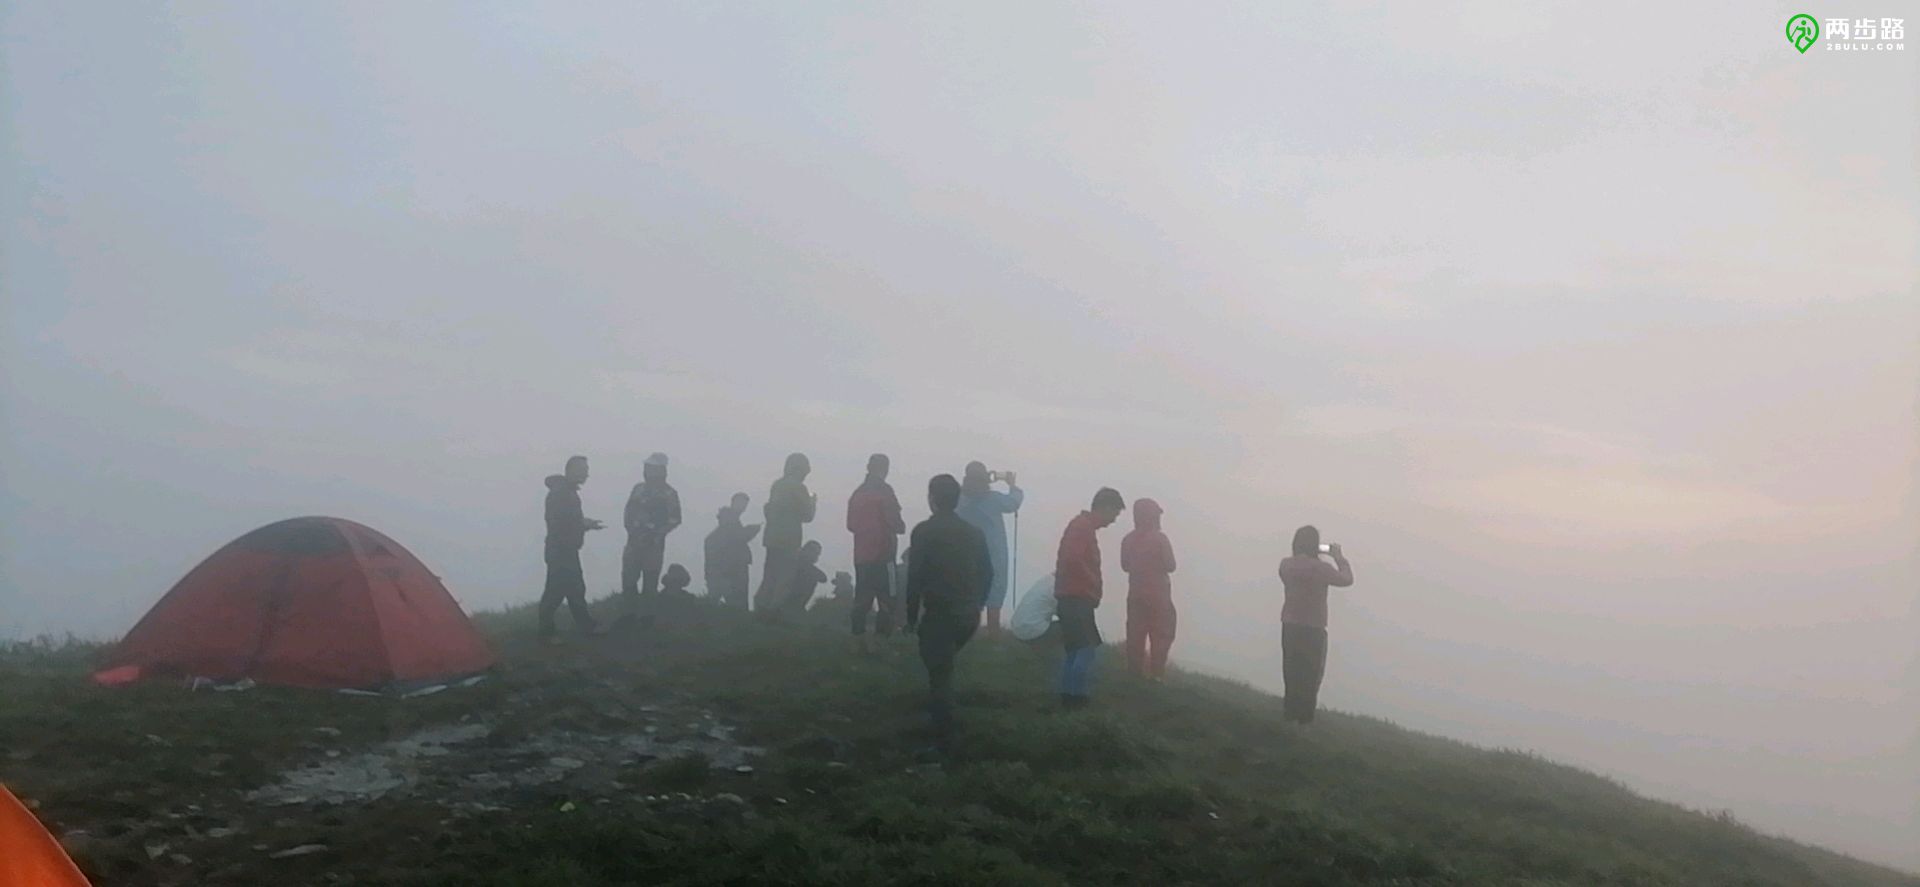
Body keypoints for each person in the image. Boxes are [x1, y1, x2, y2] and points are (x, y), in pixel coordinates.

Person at [903, 474, 993, 752]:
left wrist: (910, 618)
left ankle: (942, 742)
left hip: (940, 614)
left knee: (939, 675)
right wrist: (977, 604)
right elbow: (988, 573)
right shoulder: (974, 533)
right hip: (968, 615)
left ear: (931, 499)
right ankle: (943, 731)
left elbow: (914, 578)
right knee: (943, 667)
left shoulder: (923, 532)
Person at [1054, 487, 1124, 709]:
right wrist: (1092, 582)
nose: (1113, 520)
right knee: (1087, 648)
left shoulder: (1081, 526)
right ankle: (1077, 698)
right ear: (1104, 507)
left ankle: (1067, 697)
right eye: (1114, 513)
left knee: (1075, 649)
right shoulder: (1082, 528)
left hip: (1071, 597)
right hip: (1077, 597)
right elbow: (1074, 559)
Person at [1277, 526, 1354, 724]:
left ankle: (1289, 715)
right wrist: (1338, 557)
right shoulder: (1322, 569)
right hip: (1314, 628)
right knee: (1310, 676)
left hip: (1290, 625)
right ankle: (1304, 720)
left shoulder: (1286, 565)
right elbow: (1347, 579)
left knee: (1291, 672)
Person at [539, 455, 607, 642]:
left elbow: (568, 521)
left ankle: (586, 625)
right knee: (555, 591)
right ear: (571, 470)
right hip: (560, 550)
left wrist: (586, 524)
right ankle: (547, 632)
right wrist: (584, 525)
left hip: (566, 549)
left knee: (575, 589)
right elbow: (559, 524)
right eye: (583, 469)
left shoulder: (566, 491)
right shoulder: (560, 493)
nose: (586, 473)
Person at [846, 453, 906, 651]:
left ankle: (857, 639)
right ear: (885, 468)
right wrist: (899, 525)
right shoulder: (885, 492)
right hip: (884, 554)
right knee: (888, 598)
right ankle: (881, 641)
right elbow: (896, 523)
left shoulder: (857, 493)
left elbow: (850, 525)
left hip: (862, 554)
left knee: (862, 597)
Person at [957, 462, 1023, 634]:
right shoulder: (993, 499)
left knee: (972, 594)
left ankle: (970, 634)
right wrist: (1012, 485)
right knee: (995, 593)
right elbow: (1013, 503)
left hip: (967, 554)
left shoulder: (959, 500)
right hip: (995, 555)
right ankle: (994, 636)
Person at [621, 452, 682, 628]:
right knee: (629, 579)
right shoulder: (638, 489)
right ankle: (628, 615)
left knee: (650, 581)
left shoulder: (669, 493)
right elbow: (628, 511)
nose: (647, 471)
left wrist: (655, 533)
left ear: (661, 470)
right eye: (646, 467)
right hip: (633, 543)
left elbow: (675, 519)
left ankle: (647, 618)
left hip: (653, 546)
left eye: (651, 468)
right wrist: (631, 531)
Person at [1121, 498, 1177, 680]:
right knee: (1161, 634)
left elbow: (1125, 566)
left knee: (1135, 633)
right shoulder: (1160, 539)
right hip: (1159, 595)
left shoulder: (1127, 539)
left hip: (1135, 593)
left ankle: (1134, 673)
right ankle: (1156, 674)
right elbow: (1171, 565)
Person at [753, 453, 817, 613]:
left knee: (769, 576)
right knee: (784, 578)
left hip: (772, 538)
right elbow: (808, 515)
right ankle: (774, 612)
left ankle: (760, 608)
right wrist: (813, 502)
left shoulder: (777, 485)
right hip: (789, 540)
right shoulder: (798, 487)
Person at [703, 493, 759, 610]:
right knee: (737, 605)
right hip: (731, 570)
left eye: (745, 504)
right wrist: (750, 531)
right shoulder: (729, 523)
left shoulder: (731, 522)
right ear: (733, 503)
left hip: (730, 569)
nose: (743, 507)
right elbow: (736, 538)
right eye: (741, 503)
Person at [780, 540, 829, 617]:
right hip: (786, 599)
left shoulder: (809, 567)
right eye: (815, 553)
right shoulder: (796, 562)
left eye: (817, 554)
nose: (816, 556)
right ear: (807, 551)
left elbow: (823, 578)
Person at [1007, 572, 1058, 644]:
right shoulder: (1056, 587)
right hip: (1032, 630)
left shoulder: (1046, 580)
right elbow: (1066, 613)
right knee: (1073, 626)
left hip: (1017, 628)